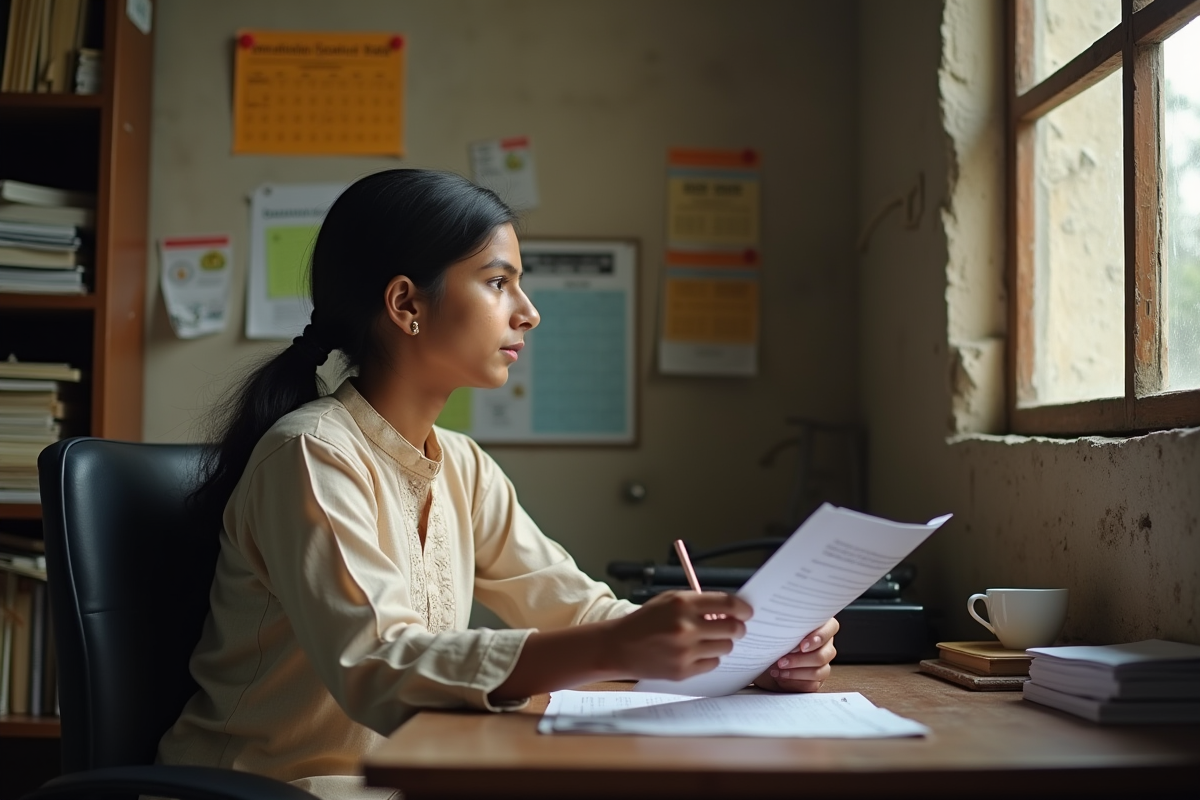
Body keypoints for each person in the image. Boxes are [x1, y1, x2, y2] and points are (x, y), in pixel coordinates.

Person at [157, 169, 839, 800]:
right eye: (497, 282)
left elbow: (574, 611)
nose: (528, 312)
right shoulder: (311, 453)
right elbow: (380, 667)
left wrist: (746, 650)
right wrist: (617, 646)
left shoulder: (462, 465)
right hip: (270, 790)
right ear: (405, 303)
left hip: (395, 783)